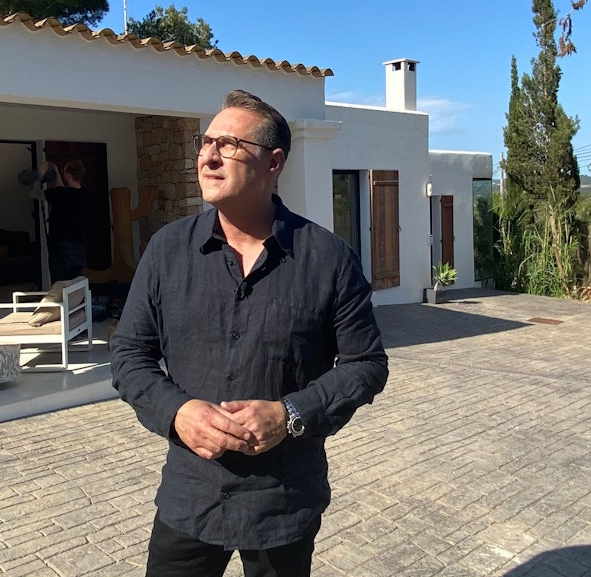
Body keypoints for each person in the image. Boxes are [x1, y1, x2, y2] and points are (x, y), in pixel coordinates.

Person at [110, 90, 389, 576]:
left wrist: (290, 414)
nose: (209, 156)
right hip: (191, 497)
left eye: (229, 145)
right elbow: (129, 353)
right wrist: (177, 411)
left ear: (273, 162)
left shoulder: (328, 260)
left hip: (282, 501)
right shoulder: (167, 250)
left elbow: (366, 365)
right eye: (206, 142)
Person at [40, 159, 90, 282]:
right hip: (79, 246)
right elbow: (67, 192)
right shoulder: (86, 195)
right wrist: (56, 172)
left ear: (68, 175)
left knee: (59, 284)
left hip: (60, 246)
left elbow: (35, 193)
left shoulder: (59, 194)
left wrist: (39, 174)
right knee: (76, 284)